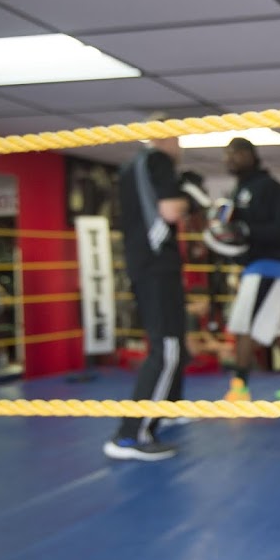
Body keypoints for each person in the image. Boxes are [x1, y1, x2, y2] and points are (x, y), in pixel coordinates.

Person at [104, 133, 199, 461]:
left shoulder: (131, 167)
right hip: (156, 265)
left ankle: (168, 409)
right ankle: (130, 436)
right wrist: (189, 196)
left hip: (147, 265)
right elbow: (172, 210)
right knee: (167, 348)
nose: (181, 147)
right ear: (166, 138)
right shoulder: (157, 160)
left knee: (176, 343)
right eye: (178, 140)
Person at [213, 137, 280, 402]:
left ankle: (239, 388)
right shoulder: (237, 191)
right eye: (226, 155)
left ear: (249, 154)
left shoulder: (271, 188)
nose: (229, 159)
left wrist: (247, 230)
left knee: (244, 325)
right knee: (275, 328)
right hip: (254, 266)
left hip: (270, 266)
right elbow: (237, 232)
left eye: (234, 154)